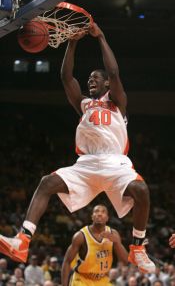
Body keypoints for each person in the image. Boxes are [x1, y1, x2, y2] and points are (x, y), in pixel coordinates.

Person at [0, 22, 155, 274]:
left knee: (141, 189)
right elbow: (65, 77)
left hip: (115, 162)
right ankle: (22, 240)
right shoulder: (83, 104)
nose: (90, 79)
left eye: (96, 77)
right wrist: (72, 41)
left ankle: (138, 247)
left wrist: (101, 36)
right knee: (46, 182)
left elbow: (114, 73)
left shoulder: (117, 102)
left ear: (106, 85)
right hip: (86, 164)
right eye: (89, 78)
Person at [61, 204, 128, 286]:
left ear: (107, 218)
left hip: (102, 280)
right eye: (96, 211)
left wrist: (117, 243)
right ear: (92, 217)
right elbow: (67, 262)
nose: (99, 214)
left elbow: (125, 261)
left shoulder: (113, 234)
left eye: (103, 212)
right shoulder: (80, 236)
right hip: (82, 280)